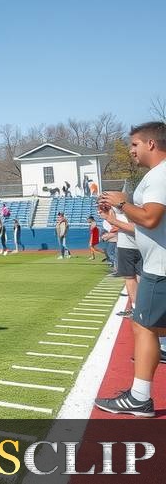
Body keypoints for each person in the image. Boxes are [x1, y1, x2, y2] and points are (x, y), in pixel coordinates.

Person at [95, 121, 166, 417]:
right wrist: (115, 220)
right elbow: (148, 229)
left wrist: (122, 203)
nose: (131, 150)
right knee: (151, 326)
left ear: (151, 144)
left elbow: (150, 219)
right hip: (157, 263)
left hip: (160, 268)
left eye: (135, 144)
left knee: (144, 327)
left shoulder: (159, 175)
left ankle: (139, 397)